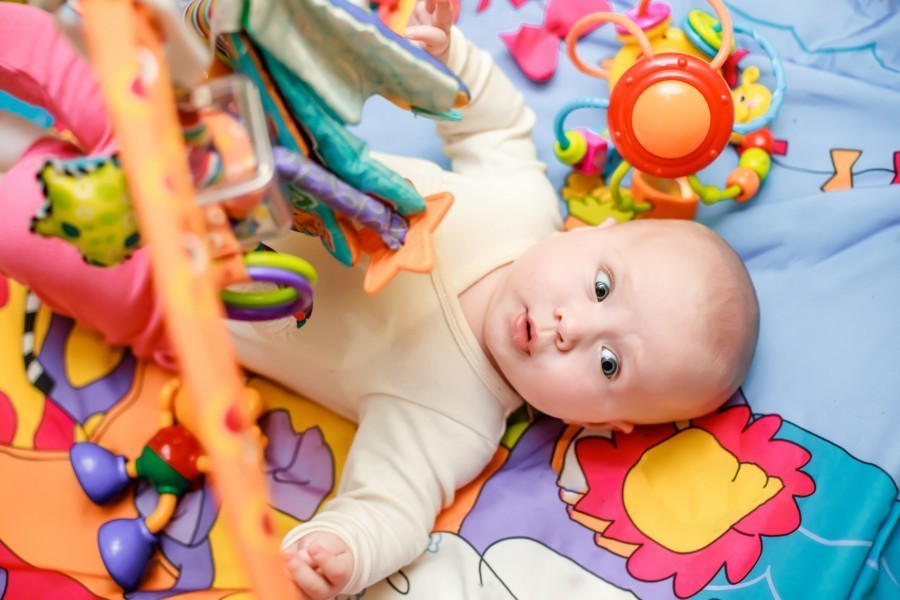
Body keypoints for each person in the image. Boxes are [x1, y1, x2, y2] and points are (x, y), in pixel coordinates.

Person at [0, 2, 759, 598]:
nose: (570, 326)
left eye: (607, 361)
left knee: (21, 221)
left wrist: (344, 550)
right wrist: (441, 55)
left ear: (602, 423)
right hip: (209, 140)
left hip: (169, 288)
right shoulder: (523, 203)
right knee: (44, 45)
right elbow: (494, 120)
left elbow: (392, 504)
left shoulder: (453, 420)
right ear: (594, 231)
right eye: (600, 287)